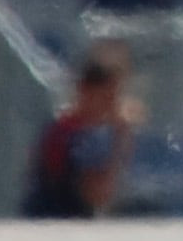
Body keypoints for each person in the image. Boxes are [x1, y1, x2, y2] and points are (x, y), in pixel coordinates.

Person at [24, 42, 135, 220]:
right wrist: (121, 138)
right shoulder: (75, 135)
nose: (111, 106)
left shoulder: (64, 128)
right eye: (106, 97)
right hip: (58, 220)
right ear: (85, 92)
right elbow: (97, 194)